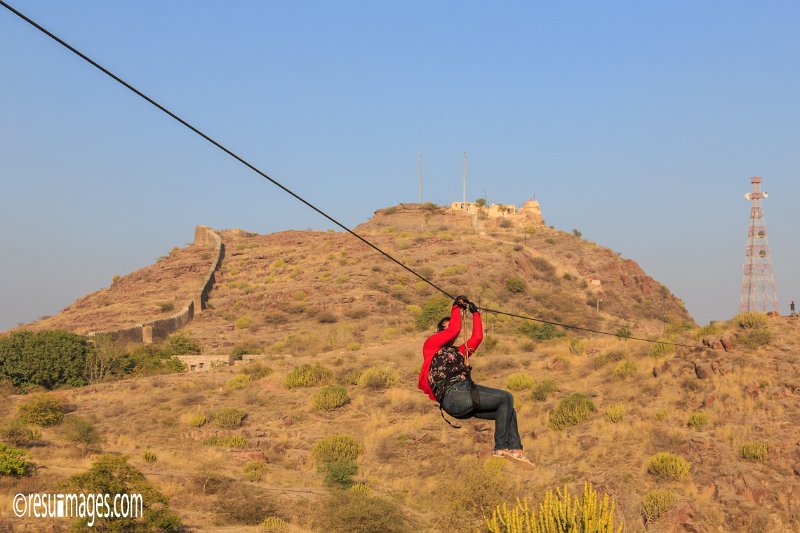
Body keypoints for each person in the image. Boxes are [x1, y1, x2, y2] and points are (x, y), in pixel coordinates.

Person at [418, 295, 533, 467]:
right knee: (506, 397)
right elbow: (454, 329)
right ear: (439, 330)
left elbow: (477, 338)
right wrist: (456, 307)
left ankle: (516, 449)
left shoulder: (459, 352)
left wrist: (476, 313)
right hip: (454, 394)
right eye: (446, 328)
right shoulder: (432, 345)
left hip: (462, 399)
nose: (451, 332)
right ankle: (500, 447)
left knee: (508, 410)